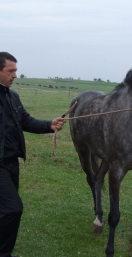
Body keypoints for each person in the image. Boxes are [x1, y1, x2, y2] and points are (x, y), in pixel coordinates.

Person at [0, 52, 66, 257]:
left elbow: (26, 121)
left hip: (12, 162)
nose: (15, 75)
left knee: (5, 209)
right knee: (13, 208)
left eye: (16, 71)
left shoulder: (13, 96)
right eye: (11, 71)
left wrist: (49, 125)